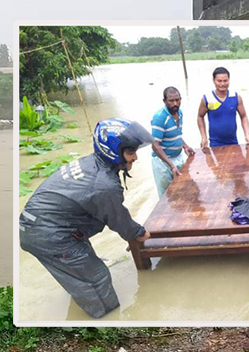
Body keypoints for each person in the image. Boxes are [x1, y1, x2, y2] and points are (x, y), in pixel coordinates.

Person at [19, 118, 153, 318]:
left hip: (44, 227)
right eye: (130, 152)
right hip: (50, 234)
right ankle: (106, 321)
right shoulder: (104, 185)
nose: (135, 158)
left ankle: (83, 304)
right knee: (97, 279)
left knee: (81, 272)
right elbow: (117, 218)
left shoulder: (92, 164)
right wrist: (139, 233)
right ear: (113, 151)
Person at [151, 86, 196, 198]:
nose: (175, 103)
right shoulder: (160, 118)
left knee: (183, 190)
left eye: (177, 100)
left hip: (177, 157)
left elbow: (176, 134)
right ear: (164, 101)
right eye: (171, 101)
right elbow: (155, 145)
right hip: (162, 162)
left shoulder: (179, 113)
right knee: (167, 196)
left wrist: (185, 146)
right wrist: (171, 165)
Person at [197, 67, 249, 149]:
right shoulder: (208, 99)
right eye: (219, 81)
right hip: (215, 143)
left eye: (225, 80)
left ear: (229, 80)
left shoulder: (235, 97)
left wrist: (247, 134)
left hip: (233, 141)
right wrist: (203, 137)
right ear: (213, 81)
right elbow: (200, 117)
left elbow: (243, 116)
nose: (222, 84)